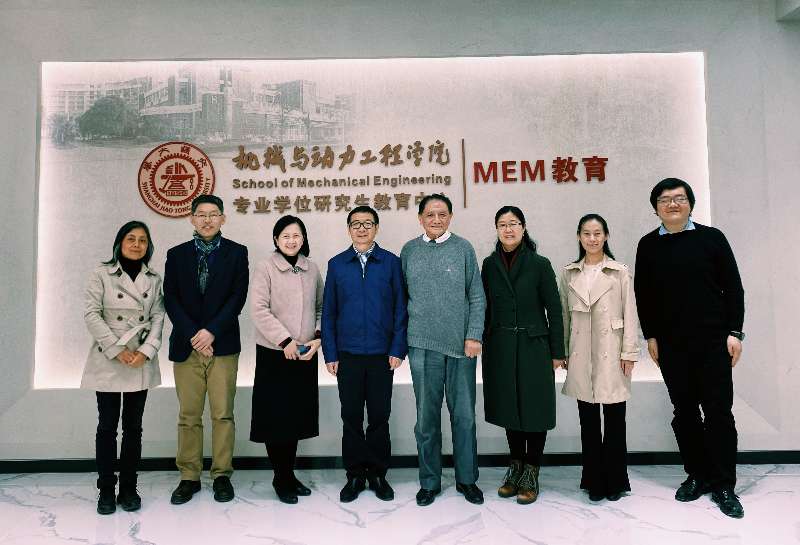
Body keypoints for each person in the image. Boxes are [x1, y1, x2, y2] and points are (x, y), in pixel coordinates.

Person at [634, 178, 745, 518]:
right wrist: (650, 336)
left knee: (718, 412)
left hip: (713, 341)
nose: (672, 204)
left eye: (679, 198)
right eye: (665, 199)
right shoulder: (648, 245)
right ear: (656, 208)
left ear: (690, 204)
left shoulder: (712, 238)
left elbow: (733, 287)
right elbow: (643, 294)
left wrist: (735, 332)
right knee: (684, 412)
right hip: (671, 345)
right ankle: (697, 474)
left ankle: (724, 484)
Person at [400, 193, 486, 506]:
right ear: (420, 218)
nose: (436, 220)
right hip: (422, 346)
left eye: (442, 214)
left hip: (461, 347)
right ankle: (429, 482)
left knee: (464, 417)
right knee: (426, 419)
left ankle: (467, 480)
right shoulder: (409, 251)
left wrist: (473, 335)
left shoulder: (463, 248)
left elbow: (477, 296)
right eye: (430, 215)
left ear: (450, 217)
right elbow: (402, 298)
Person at [163, 194, 249, 505]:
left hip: (222, 345)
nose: (207, 220)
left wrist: (211, 331)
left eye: (213, 214)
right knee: (188, 415)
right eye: (201, 214)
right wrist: (194, 334)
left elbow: (237, 298)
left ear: (223, 218)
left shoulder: (237, 253)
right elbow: (170, 298)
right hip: (187, 347)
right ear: (192, 218)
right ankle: (189, 476)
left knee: (223, 414)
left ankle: (222, 474)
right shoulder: (176, 254)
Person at [322, 205, 408, 503]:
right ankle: (355, 474)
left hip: (382, 355)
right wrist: (330, 353)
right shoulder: (337, 264)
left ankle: (378, 474)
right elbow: (329, 312)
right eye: (356, 224)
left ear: (376, 228)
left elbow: (401, 309)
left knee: (380, 416)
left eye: (368, 223)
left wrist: (397, 348)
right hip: (348, 355)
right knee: (351, 416)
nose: (362, 228)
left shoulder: (391, 263)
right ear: (349, 229)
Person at [481, 206, 565, 505]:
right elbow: (485, 306)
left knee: (535, 408)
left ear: (524, 227)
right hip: (501, 345)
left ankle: (531, 471)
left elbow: (554, 309)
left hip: (534, 345)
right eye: (502, 224)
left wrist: (558, 351)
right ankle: (515, 466)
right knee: (509, 406)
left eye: (514, 223)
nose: (508, 229)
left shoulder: (540, 264)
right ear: (497, 229)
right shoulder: (489, 264)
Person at [82, 220, 164, 514]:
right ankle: (106, 489)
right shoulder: (101, 273)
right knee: (107, 427)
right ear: (119, 243)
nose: (137, 245)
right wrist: (117, 350)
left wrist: (146, 351)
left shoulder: (153, 278)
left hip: (139, 358)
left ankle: (129, 487)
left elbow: (158, 316)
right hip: (109, 356)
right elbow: (91, 314)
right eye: (131, 239)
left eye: (143, 240)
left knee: (133, 428)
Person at [560, 213, 639, 502]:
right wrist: (564, 351)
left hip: (612, 352)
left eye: (597, 233)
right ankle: (593, 479)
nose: (592, 239)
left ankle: (615, 481)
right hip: (581, 353)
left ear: (606, 236)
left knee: (616, 421)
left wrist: (629, 352)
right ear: (579, 237)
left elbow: (630, 313)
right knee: (589, 422)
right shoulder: (569, 273)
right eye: (586, 233)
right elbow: (564, 315)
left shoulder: (619, 272)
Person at [250, 215, 323, 504]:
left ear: (303, 239)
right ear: (276, 239)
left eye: (296, 236)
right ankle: (281, 477)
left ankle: (289, 474)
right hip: (274, 354)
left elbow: (322, 306)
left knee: (295, 419)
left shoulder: (311, 268)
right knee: (275, 419)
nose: (291, 241)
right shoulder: (265, 267)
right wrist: (285, 341)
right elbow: (259, 309)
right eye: (286, 236)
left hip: (304, 354)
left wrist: (317, 337)